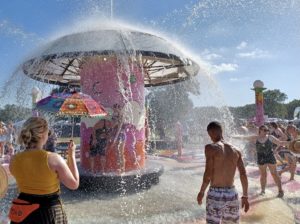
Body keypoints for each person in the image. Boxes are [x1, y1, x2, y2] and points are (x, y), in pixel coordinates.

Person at [8, 117, 79, 224]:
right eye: (48, 132)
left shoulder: (14, 159)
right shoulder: (53, 159)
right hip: (48, 212)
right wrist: (72, 156)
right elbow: (73, 184)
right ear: (42, 135)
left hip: (22, 212)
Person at [197, 121, 249, 224]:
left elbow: (208, 174)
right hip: (231, 194)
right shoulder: (236, 150)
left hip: (215, 193)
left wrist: (202, 191)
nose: (210, 138)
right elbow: (243, 174)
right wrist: (245, 196)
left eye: (209, 135)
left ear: (212, 132)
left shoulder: (210, 148)